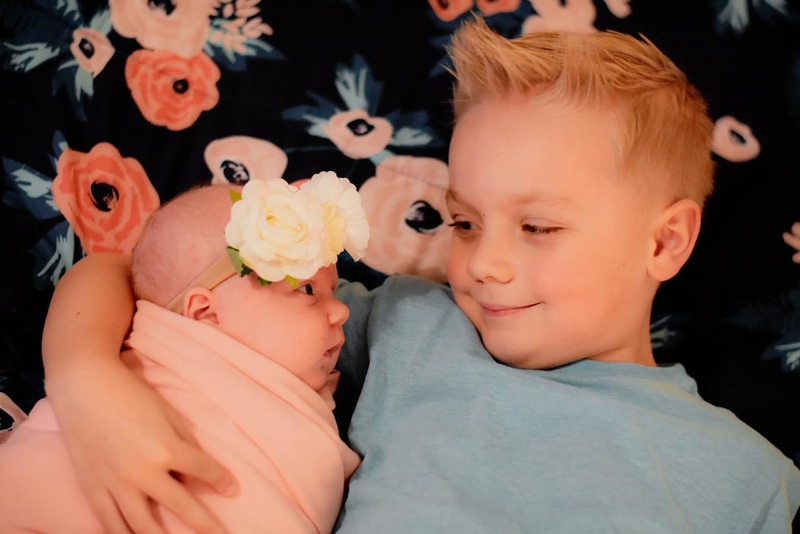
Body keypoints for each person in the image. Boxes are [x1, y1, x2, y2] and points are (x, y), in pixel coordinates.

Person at [38, 18, 800, 533]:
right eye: (463, 223)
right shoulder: (410, 325)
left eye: (538, 227)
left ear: (665, 242)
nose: (485, 264)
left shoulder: (744, 476)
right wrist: (85, 378)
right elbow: (126, 266)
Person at [1, 174, 367, 533]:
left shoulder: (316, 383)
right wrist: (85, 372)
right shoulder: (164, 349)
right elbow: (111, 267)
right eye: (307, 291)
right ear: (205, 313)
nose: (341, 311)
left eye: (333, 290)